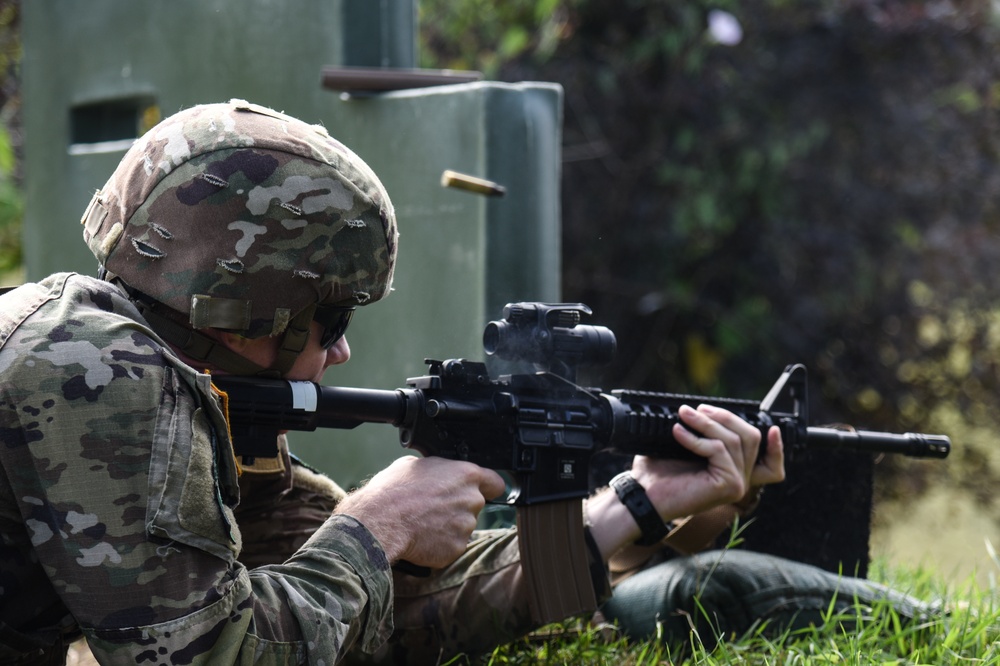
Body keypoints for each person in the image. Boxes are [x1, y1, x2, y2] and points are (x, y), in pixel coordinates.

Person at [0, 100, 926, 665]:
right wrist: (379, 522)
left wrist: (634, 508)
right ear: (256, 309)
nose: (342, 355)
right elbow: (218, 657)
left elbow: (380, 614)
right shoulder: (99, 377)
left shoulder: (159, 370)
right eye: (334, 320)